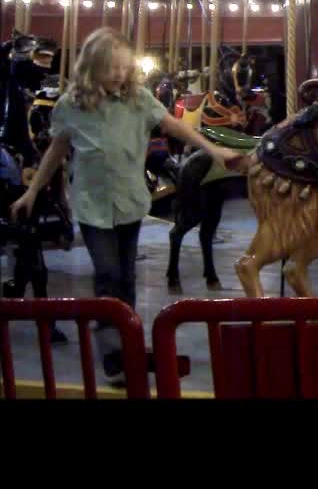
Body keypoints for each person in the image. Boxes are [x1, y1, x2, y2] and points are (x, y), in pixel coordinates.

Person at [10, 28, 241, 386]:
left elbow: (175, 126)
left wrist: (213, 151)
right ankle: (113, 356)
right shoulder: (71, 106)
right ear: (92, 67)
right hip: (93, 205)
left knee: (126, 279)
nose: (118, 74)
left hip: (130, 202)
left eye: (122, 67)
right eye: (111, 67)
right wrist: (32, 192)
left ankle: (128, 340)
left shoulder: (140, 99)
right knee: (107, 275)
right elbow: (56, 151)